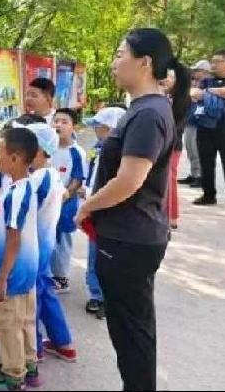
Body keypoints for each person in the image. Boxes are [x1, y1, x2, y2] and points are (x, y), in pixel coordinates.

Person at [76, 28, 190, 391]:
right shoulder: (145, 108)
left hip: (129, 239)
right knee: (133, 330)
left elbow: (129, 181)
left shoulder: (148, 113)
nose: (114, 63)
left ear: (144, 63)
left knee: (131, 334)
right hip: (130, 236)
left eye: (120, 54)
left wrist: (87, 206)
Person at [0, 128, 39, 392]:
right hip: (26, 269)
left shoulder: (17, 194)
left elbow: (13, 239)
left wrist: (2, 278)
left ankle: (13, 377)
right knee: (25, 320)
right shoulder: (22, 186)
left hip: (15, 271)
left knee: (8, 324)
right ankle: (30, 366)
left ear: (15, 158)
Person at [22, 123, 78, 367]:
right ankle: (63, 342)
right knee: (45, 292)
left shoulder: (36, 179)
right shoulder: (52, 174)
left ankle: (33, 348)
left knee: (32, 298)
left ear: (35, 150)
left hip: (32, 248)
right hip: (44, 245)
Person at [82, 106, 126, 319]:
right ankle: (97, 294)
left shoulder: (120, 154)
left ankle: (108, 296)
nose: (95, 130)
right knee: (95, 253)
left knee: (107, 255)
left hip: (108, 210)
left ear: (109, 129)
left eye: (98, 126)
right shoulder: (98, 148)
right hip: (95, 207)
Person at [50, 108, 87, 294]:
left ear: (74, 127)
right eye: (56, 121)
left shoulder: (76, 152)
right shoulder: (48, 148)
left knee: (62, 240)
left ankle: (62, 278)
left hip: (66, 205)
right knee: (49, 239)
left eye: (64, 122)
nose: (59, 125)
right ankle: (50, 274)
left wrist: (65, 194)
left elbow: (78, 178)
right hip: (48, 203)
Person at [191, 50, 225, 209]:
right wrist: (219, 92)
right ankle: (208, 195)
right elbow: (194, 93)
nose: (213, 65)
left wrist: (207, 93)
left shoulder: (209, 86)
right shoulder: (207, 81)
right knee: (206, 162)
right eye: (212, 61)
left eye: (217, 61)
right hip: (205, 126)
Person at [178, 60, 211, 187]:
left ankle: (200, 176)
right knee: (190, 149)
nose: (194, 73)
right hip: (190, 120)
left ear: (204, 72)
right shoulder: (195, 84)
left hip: (200, 122)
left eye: (197, 70)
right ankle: (194, 174)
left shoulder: (209, 85)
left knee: (197, 149)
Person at [161, 70, 184, 229]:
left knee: (169, 179)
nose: (166, 79)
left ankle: (172, 216)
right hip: (161, 143)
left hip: (172, 145)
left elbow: (178, 125)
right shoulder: (161, 95)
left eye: (170, 77)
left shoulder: (181, 98)